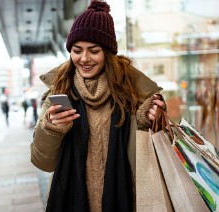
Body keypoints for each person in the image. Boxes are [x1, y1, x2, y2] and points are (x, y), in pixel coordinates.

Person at [30, 1, 167, 211]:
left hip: (126, 199)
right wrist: (52, 129)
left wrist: (144, 122)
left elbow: (151, 161)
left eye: (94, 51)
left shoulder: (134, 93)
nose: (84, 58)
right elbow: (43, 163)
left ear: (108, 54)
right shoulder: (59, 91)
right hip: (72, 199)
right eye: (77, 50)